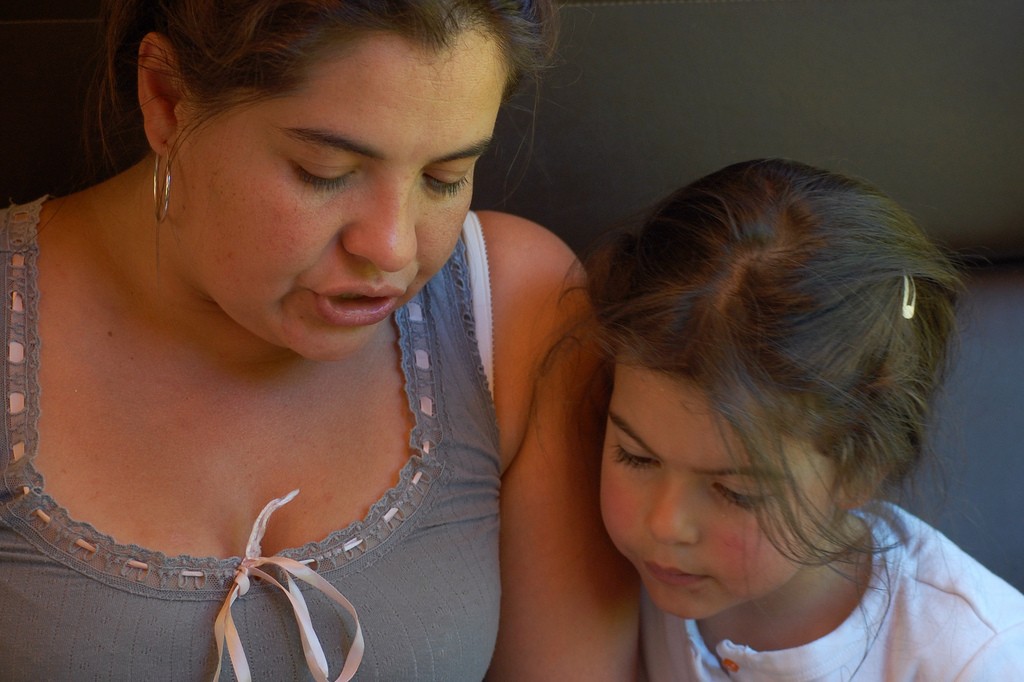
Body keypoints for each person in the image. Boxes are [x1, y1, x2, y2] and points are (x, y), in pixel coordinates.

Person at [0, 1, 636, 680]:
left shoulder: (518, 313)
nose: (391, 249)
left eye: (442, 178)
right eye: (324, 171)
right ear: (167, 99)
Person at [585, 158, 1024, 680]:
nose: (664, 524)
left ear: (862, 468)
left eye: (734, 491)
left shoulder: (975, 658)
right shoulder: (606, 573)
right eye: (635, 457)